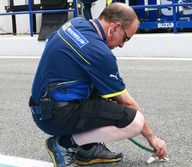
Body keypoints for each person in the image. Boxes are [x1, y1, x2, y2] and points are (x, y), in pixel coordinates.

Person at [29, 2, 168, 167]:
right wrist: (152, 138)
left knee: (106, 93)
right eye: (126, 38)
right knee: (135, 121)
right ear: (114, 27)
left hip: (41, 108)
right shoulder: (99, 52)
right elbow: (127, 102)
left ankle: (87, 148)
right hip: (57, 116)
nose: (123, 44)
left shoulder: (75, 24)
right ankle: (64, 144)